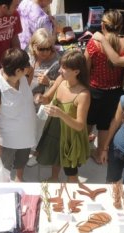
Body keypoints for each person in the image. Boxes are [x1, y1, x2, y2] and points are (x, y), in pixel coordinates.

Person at [85, 10, 124, 164]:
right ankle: (99, 153)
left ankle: (82, 150)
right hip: (116, 92)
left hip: (94, 90)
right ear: (121, 26)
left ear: (103, 25)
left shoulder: (93, 43)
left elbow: (85, 68)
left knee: (88, 122)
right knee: (105, 125)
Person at [36, 49, 91, 183]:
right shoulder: (61, 80)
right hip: (54, 129)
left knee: (70, 169)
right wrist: (40, 98)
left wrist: (61, 114)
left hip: (70, 136)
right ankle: (54, 177)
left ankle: (74, 190)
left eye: (64, 68)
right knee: (55, 157)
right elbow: (48, 98)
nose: (60, 70)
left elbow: (79, 125)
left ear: (76, 72)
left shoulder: (83, 95)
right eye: (61, 66)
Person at [0, 48, 35, 182]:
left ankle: (19, 177)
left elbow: (30, 72)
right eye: (26, 67)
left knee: (22, 161)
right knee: (4, 171)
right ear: (18, 71)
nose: (29, 68)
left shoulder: (23, 76)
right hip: (7, 142)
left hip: (26, 136)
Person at [26, 28, 59, 166]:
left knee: (39, 128)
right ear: (33, 46)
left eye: (48, 48)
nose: (45, 52)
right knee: (28, 125)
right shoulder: (28, 57)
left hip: (43, 102)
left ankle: (35, 151)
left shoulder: (57, 63)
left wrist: (48, 82)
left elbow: (63, 84)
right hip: (27, 99)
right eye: (41, 48)